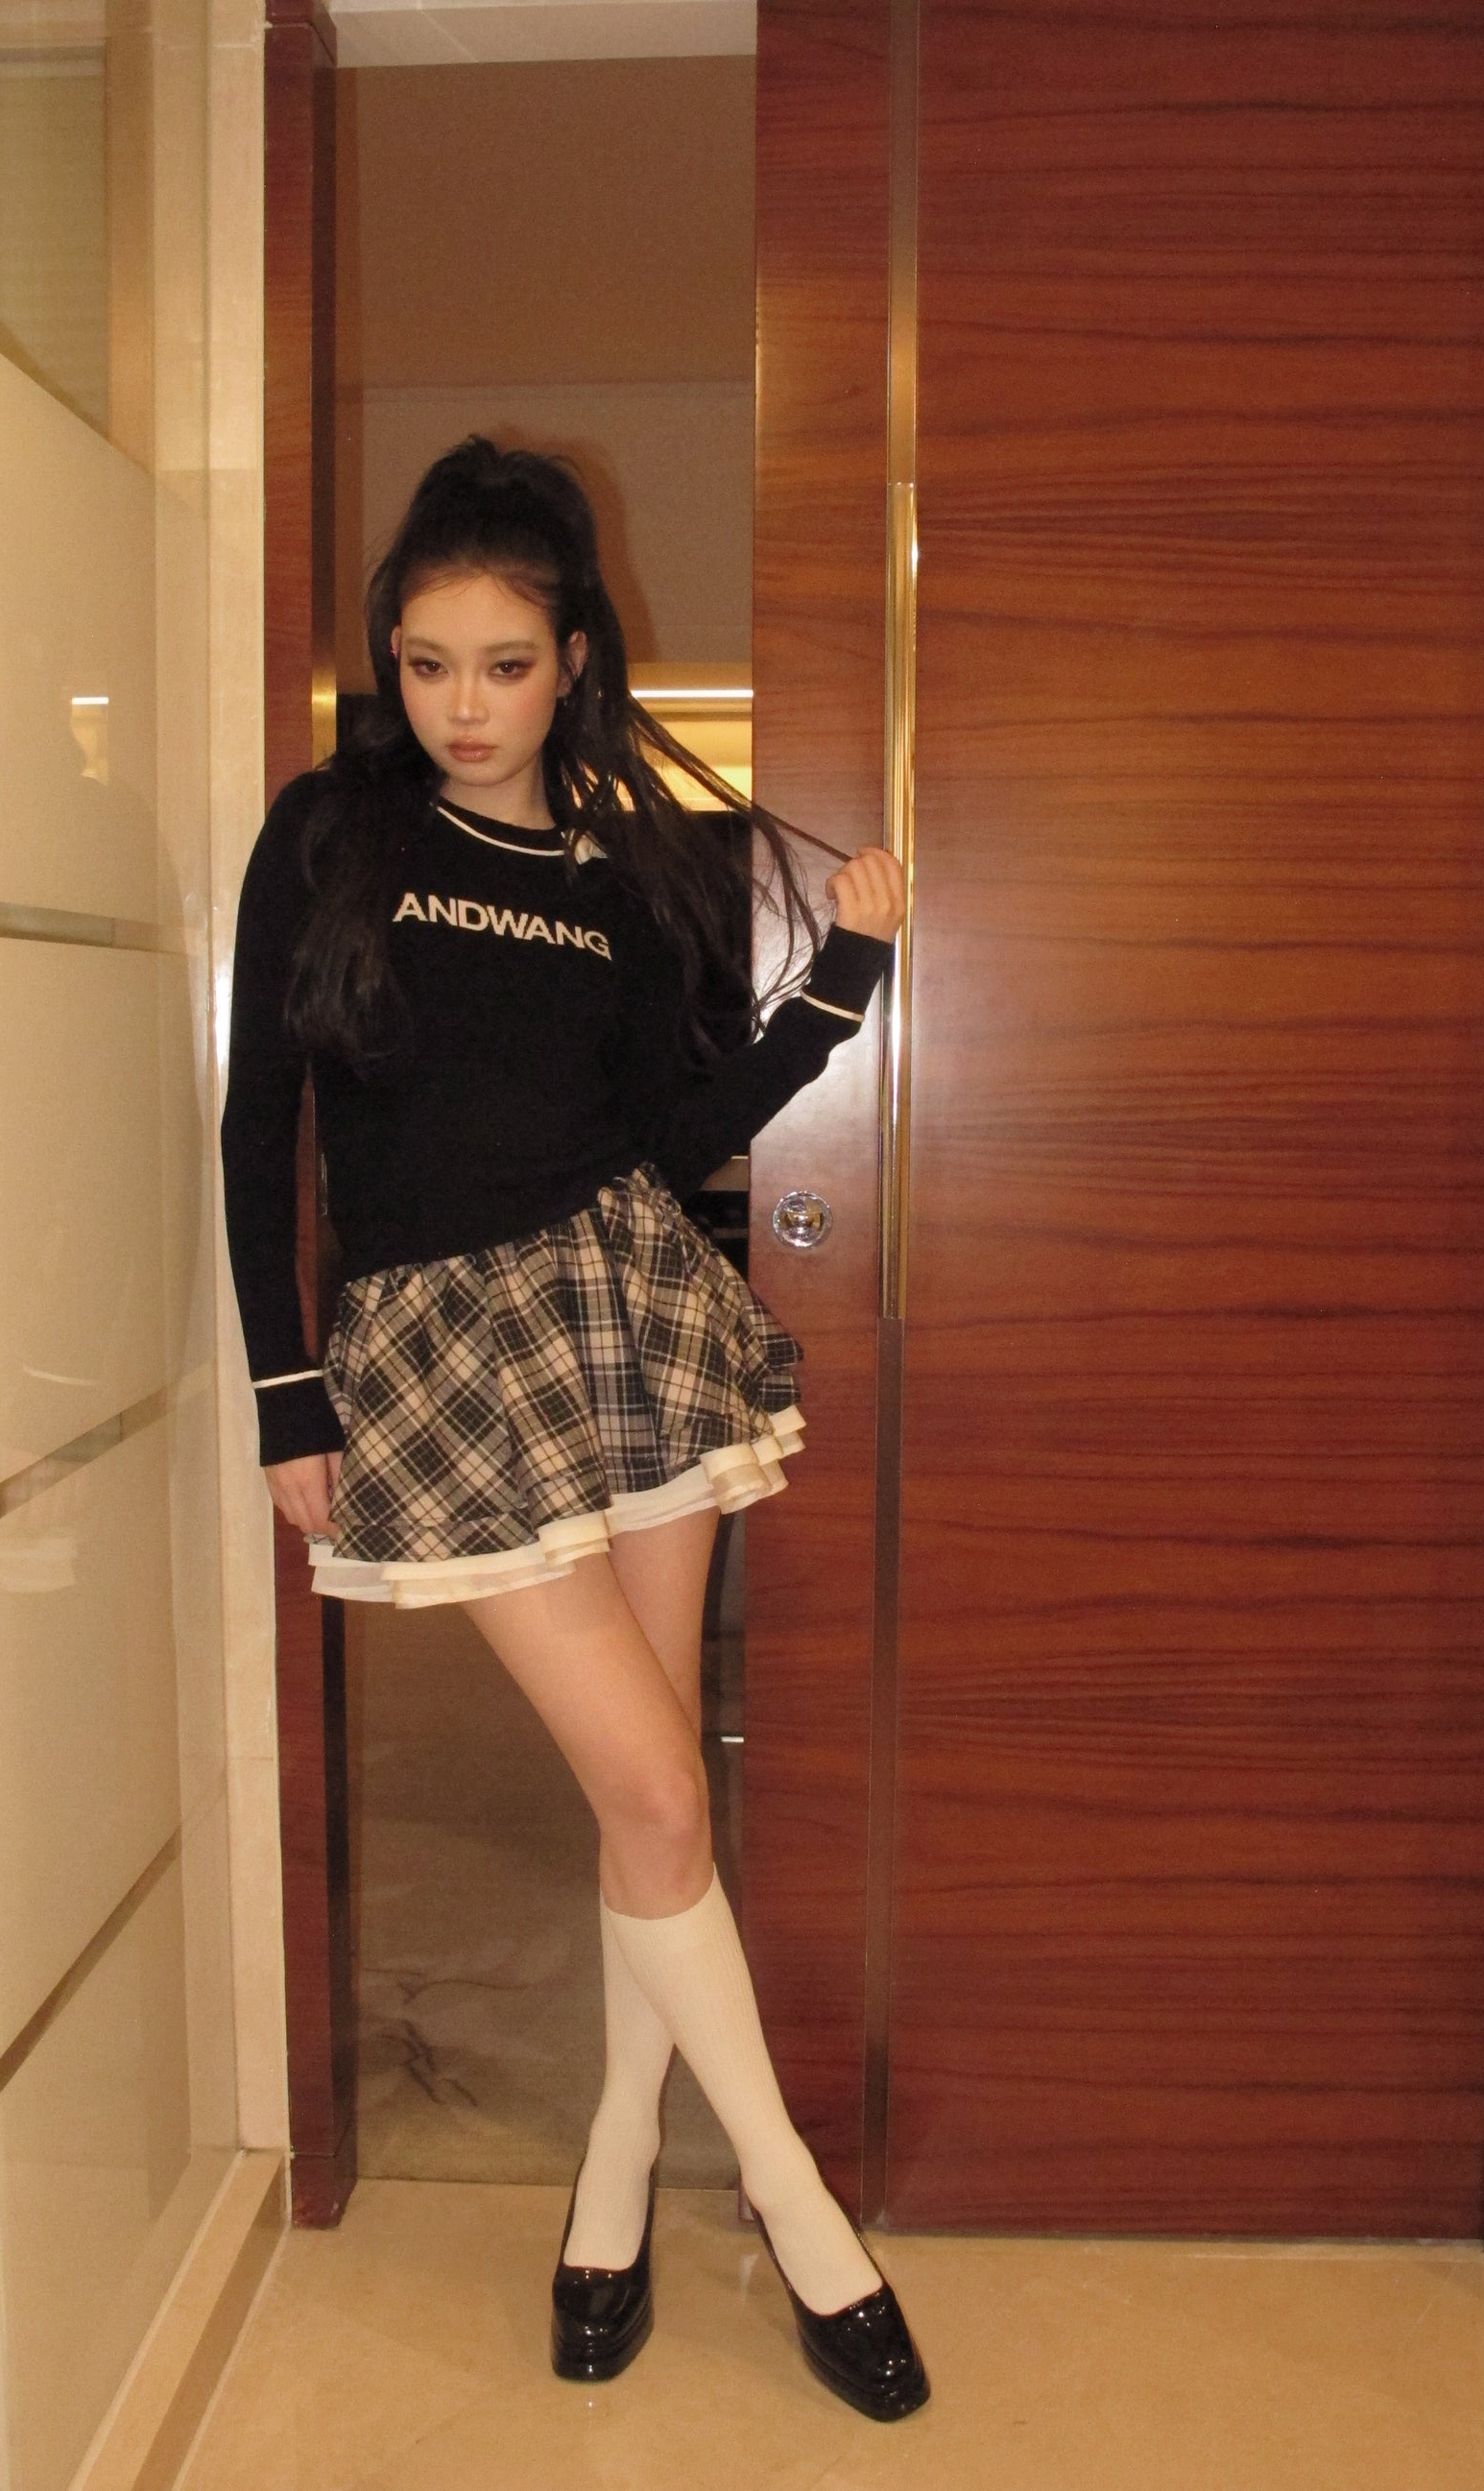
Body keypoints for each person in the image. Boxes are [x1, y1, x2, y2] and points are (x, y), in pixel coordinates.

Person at [221, 437, 928, 2423]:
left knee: (650, 1803)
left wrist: (841, 988)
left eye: (505, 665)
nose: (463, 703)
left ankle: (614, 2176)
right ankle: (794, 2201)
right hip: (439, 1349)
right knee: (656, 1792)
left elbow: (672, 1131)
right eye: (427, 662)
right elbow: (257, 1113)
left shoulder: (623, 881)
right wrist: (285, 1383)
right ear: (391, 662)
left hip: (628, 1318)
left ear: (574, 663)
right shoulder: (332, 832)